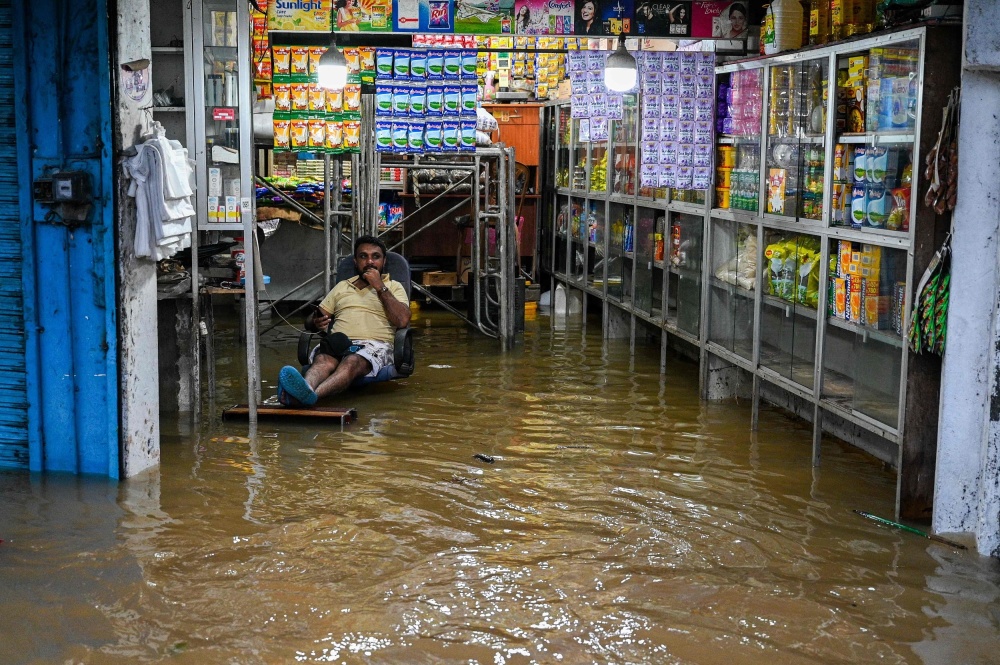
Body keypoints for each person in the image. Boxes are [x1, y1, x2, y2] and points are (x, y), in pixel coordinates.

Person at [277, 235, 411, 406]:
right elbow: (313, 319)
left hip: (375, 345)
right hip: (339, 342)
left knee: (352, 361)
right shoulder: (342, 286)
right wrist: (315, 321)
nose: (369, 261)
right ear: (355, 261)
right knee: (322, 360)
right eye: (363, 256)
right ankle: (306, 390)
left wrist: (380, 287)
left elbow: (402, 320)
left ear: (383, 261)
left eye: (375, 256)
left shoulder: (393, 287)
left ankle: (306, 397)